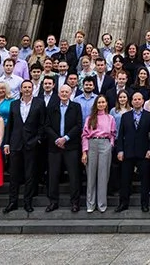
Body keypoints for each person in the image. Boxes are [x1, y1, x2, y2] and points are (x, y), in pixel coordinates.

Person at [4, 78, 44, 214]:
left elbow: (42, 124)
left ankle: (28, 202)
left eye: (29, 87)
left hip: (31, 144)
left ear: (32, 89)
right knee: (14, 175)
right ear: (21, 89)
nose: (27, 89)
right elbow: (10, 125)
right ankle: (12, 202)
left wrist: (37, 140)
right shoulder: (14, 104)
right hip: (16, 143)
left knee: (30, 174)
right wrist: (7, 143)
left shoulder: (39, 103)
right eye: (24, 87)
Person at [45, 83, 85, 213]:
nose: (64, 94)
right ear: (58, 93)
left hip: (71, 146)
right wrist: (57, 139)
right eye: (62, 92)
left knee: (74, 175)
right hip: (54, 146)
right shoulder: (51, 107)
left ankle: (75, 202)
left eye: (66, 92)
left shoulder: (76, 107)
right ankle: (53, 202)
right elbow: (47, 125)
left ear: (70, 93)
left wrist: (66, 138)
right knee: (53, 175)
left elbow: (78, 125)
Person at [115, 90, 150, 213]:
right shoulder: (125, 116)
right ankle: (123, 203)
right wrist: (120, 150)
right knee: (125, 179)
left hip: (144, 152)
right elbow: (120, 135)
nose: (137, 101)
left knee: (145, 180)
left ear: (143, 101)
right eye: (134, 99)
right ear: (131, 101)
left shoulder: (149, 116)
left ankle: (145, 204)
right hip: (128, 152)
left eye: (139, 99)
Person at [82, 94, 115, 213]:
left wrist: (110, 145)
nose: (101, 104)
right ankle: (90, 204)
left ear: (106, 104)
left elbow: (113, 134)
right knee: (91, 175)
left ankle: (102, 204)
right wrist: (84, 152)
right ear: (96, 104)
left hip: (105, 144)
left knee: (103, 175)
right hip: (92, 144)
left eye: (103, 102)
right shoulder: (90, 118)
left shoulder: (110, 118)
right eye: (99, 102)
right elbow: (84, 135)